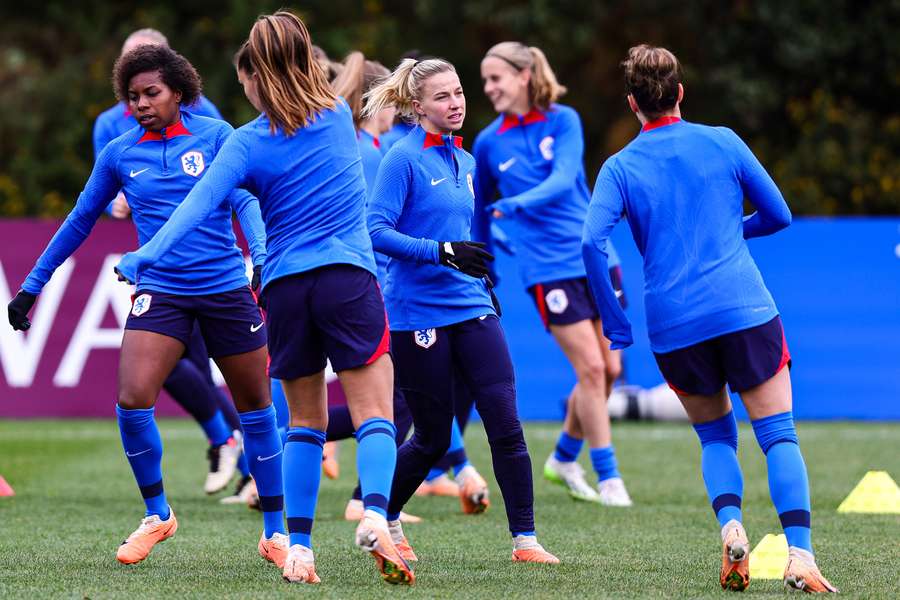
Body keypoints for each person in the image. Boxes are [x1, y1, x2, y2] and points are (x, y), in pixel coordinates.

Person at [113, 12, 413, 586]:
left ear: (252, 79)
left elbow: (196, 207)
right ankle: (375, 513)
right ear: (305, 61)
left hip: (284, 288)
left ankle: (298, 549)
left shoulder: (244, 141)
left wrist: (144, 257)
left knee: (303, 422)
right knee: (376, 412)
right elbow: (377, 79)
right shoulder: (333, 112)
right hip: (348, 278)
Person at [7, 44, 287, 569]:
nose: (140, 104)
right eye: (132, 96)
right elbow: (78, 220)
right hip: (161, 291)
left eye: (151, 93)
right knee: (133, 398)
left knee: (256, 408)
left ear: (179, 91)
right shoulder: (118, 153)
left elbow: (245, 200)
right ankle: (158, 514)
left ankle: (275, 530)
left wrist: (261, 258)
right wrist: (31, 286)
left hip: (227, 288)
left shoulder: (217, 137)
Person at [582, 44, 837, 593]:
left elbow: (590, 240)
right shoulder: (722, 141)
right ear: (679, 93)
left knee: (716, 439)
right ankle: (800, 556)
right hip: (744, 308)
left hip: (675, 324)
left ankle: (731, 527)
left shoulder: (619, 167)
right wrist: (730, 231)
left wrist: (615, 319)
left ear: (633, 104)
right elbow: (780, 214)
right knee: (778, 435)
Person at [363, 57, 559, 564]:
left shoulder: (467, 161)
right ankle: (383, 515)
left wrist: (479, 275)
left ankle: (526, 541)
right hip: (416, 315)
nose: (455, 104)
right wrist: (441, 251)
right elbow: (376, 231)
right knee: (428, 438)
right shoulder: (401, 159)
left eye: (459, 93)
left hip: (472, 307)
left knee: (505, 423)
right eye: (442, 97)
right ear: (417, 106)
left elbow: (463, 235)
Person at [92, 27, 250, 499]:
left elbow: (231, 174)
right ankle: (226, 441)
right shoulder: (108, 125)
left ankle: (238, 448)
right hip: (156, 266)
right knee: (178, 365)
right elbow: (101, 185)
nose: (138, 96)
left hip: (209, 262)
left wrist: (257, 247)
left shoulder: (206, 117)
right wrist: (113, 205)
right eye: (129, 74)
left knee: (199, 367)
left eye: (149, 69)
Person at [331, 50, 490, 519]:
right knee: (393, 400)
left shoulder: (379, 150)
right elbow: (373, 227)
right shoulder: (373, 152)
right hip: (381, 286)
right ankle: (359, 492)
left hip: (377, 283)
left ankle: (420, 478)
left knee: (401, 397)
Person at [474, 41, 631, 506]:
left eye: (495, 78)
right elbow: (481, 213)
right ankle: (609, 477)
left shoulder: (564, 120)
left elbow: (564, 179)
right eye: (485, 81)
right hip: (545, 268)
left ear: (524, 75)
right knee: (591, 368)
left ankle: (563, 457)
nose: (488, 89)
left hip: (595, 255)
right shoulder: (487, 142)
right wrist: (484, 268)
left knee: (611, 369)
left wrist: (516, 204)